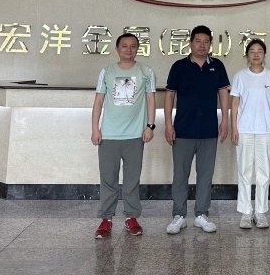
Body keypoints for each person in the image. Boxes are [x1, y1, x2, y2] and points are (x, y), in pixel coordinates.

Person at [164, 25, 230, 234]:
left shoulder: (217, 66)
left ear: (210, 44)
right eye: (198, 41)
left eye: (206, 42)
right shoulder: (179, 66)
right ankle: (179, 215)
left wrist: (225, 120)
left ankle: (201, 214)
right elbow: (169, 96)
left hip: (208, 130)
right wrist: (168, 124)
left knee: (205, 176)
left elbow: (223, 94)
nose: (202, 45)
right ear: (191, 43)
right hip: (182, 130)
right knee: (180, 175)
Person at [91, 33, 156, 238]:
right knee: (108, 179)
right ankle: (106, 219)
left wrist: (150, 126)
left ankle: (131, 217)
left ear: (138, 49)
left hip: (135, 135)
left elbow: (151, 100)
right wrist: (95, 129)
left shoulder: (146, 71)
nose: (129, 49)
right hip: (109, 135)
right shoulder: (107, 72)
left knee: (131, 180)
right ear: (117, 49)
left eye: (133, 46)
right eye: (125, 46)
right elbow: (98, 101)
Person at [230, 38, 270, 229]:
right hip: (244, 129)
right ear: (247, 55)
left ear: (264, 54)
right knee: (244, 172)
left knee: (263, 173)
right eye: (252, 51)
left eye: (260, 51)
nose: (256, 54)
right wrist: (234, 127)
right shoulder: (240, 76)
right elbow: (235, 103)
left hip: (265, 130)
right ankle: (245, 212)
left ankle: (260, 212)